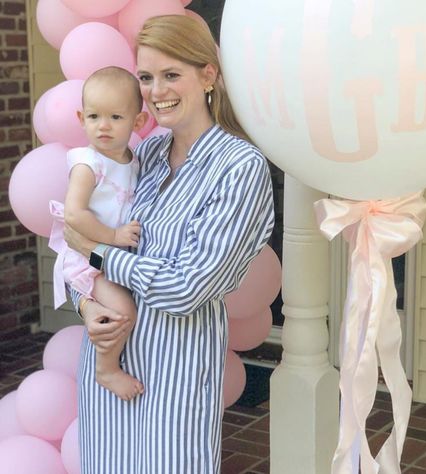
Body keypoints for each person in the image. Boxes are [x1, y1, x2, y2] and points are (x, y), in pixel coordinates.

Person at [65, 15, 275, 474]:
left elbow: (185, 288)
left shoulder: (240, 167)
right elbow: (74, 245)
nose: (156, 90)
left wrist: (99, 254)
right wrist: (84, 305)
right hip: (109, 367)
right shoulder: (147, 153)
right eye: (146, 77)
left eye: (171, 74)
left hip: (174, 375)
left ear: (208, 76)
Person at [50, 66, 147, 401]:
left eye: (115, 117)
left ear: (138, 123)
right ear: (81, 118)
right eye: (94, 116)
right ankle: (106, 369)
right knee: (123, 311)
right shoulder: (87, 163)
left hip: (109, 257)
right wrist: (115, 236)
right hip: (88, 258)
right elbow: (75, 214)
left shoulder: (133, 162)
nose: (103, 126)